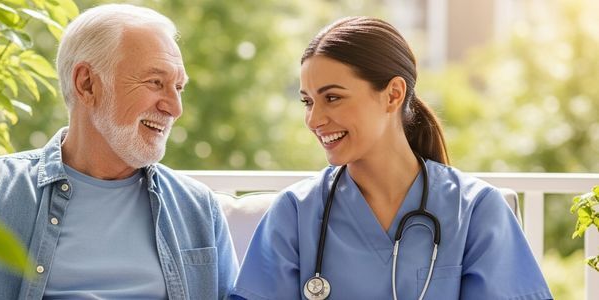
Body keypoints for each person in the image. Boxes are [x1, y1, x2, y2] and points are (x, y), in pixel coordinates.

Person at [0, 4, 238, 299]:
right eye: (154, 82)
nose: (174, 107)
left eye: (178, 87)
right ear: (87, 83)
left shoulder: (198, 207)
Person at [230, 17, 551, 300]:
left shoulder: (476, 209)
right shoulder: (295, 212)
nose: (314, 119)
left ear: (394, 94)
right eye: (307, 101)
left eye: (332, 98)